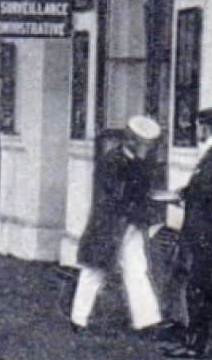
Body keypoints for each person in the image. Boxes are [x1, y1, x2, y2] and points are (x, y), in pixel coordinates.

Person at [70, 116, 165, 333]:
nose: (147, 150)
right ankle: (78, 319)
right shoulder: (112, 160)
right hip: (109, 224)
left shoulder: (135, 161)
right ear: (131, 140)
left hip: (128, 225)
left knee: (136, 269)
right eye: (144, 144)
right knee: (95, 270)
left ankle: (147, 321)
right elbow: (119, 194)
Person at [165, 107, 212, 359]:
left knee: (200, 286)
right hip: (210, 230)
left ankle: (196, 344)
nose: (196, 131)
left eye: (199, 126)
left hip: (210, 231)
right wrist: (186, 192)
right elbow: (207, 186)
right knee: (210, 285)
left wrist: (190, 194)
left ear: (207, 127)